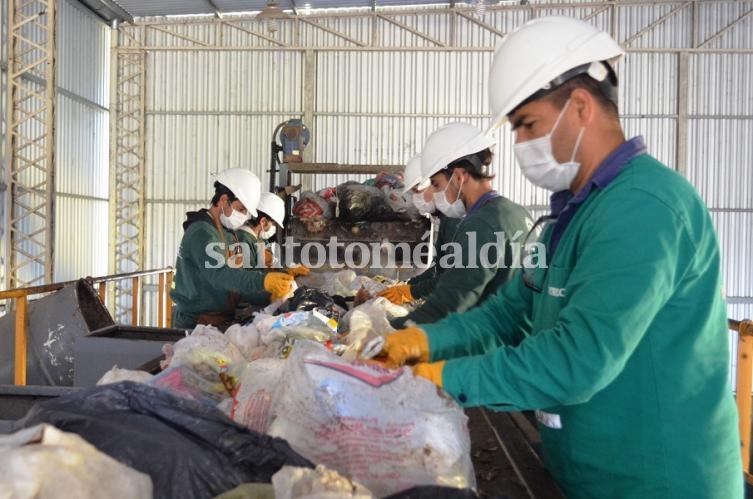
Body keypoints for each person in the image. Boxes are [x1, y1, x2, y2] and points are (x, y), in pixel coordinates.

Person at [374, 16, 742, 498]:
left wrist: (443, 376)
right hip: (586, 473)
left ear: (581, 106)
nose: (521, 144)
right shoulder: (573, 212)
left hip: (656, 481)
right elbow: (507, 312)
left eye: (528, 125)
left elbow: (576, 360)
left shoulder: (644, 208)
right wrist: (424, 340)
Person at [381, 122, 532, 329]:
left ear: (459, 177)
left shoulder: (482, 224)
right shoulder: (515, 212)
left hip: (492, 345)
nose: (436, 193)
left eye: (436, 184)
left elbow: (451, 301)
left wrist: (388, 330)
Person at [170, 169, 294, 330]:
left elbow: (236, 283)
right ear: (223, 200)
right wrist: (264, 281)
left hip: (218, 320)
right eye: (241, 209)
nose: (244, 216)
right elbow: (221, 274)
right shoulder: (202, 232)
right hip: (195, 323)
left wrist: (269, 294)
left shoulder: (227, 233)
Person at [380, 154, 460, 303]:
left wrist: (411, 291)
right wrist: (407, 284)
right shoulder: (444, 219)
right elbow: (438, 269)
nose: (417, 199)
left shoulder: (454, 220)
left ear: (436, 185)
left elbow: (452, 277)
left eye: (418, 192)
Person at [238, 191, 310, 276]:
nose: (274, 228)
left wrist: (287, 270)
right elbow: (249, 277)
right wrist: (284, 274)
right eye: (274, 224)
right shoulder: (243, 239)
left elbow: (270, 265)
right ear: (263, 222)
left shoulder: (260, 238)